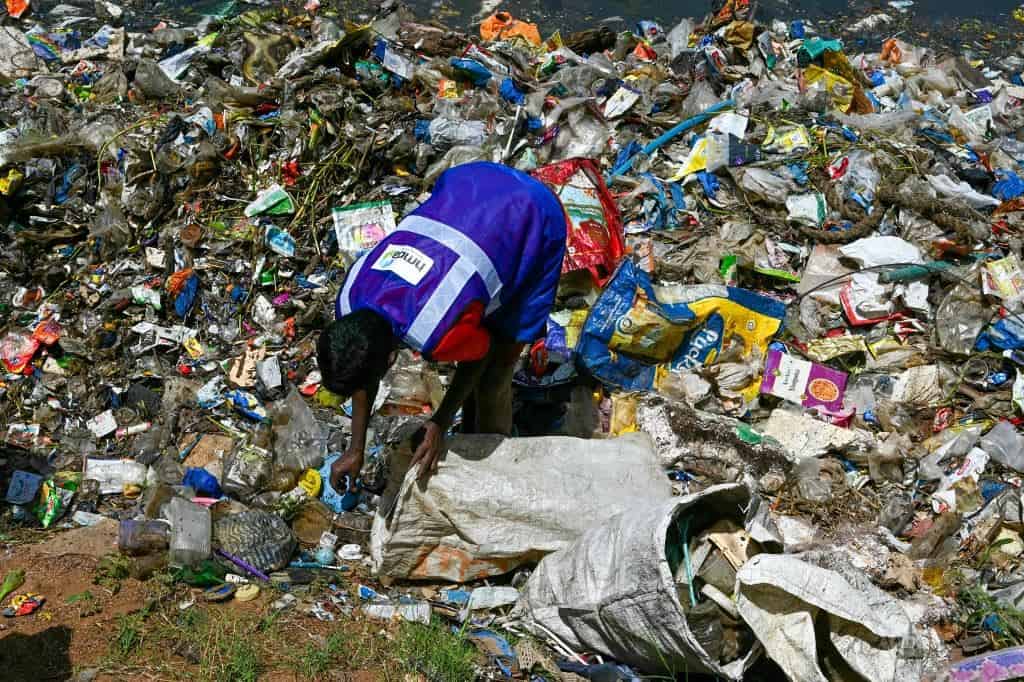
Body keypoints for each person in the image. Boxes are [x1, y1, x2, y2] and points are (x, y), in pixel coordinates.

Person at [318, 162, 567, 491]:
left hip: (530, 213)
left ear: (392, 361)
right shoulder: (350, 299)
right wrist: (355, 448)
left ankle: (493, 475)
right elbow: (363, 374)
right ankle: (472, 428)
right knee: (476, 325)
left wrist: (440, 421)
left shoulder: (434, 328)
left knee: (494, 378)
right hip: (468, 183)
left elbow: (483, 351)